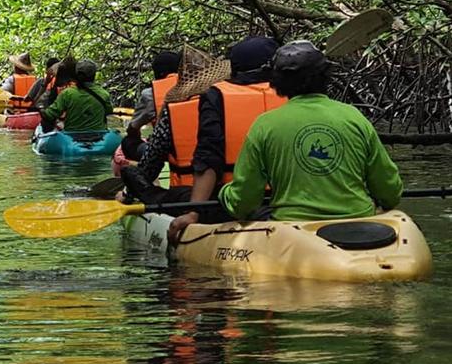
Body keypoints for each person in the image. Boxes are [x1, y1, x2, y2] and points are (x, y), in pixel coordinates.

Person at [215, 40, 402, 229]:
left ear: (277, 81)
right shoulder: (355, 117)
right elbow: (390, 191)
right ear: (325, 77)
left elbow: (244, 201)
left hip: (293, 227)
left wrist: (225, 194)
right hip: (359, 220)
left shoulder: (264, 125)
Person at [118, 37, 283, 232]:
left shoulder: (186, 108)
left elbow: (153, 165)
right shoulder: (290, 98)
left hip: (212, 202)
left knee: (134, 175)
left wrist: (130, 192)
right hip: (281, 198)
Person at [120, 50, 184, 162]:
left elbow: (133, 129)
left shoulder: (150, 94)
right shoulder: (196, 87)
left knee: (128, 142)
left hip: (169, 152)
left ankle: (145, 173)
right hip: (199, 149)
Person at [40, 58, 113, 132]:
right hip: (98, 135)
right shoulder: (104, 94)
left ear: (77, 73)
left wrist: (43, 112)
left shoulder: (67, 93)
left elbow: (49, 115)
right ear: (94, 75)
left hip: (72, 135)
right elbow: (109, 111)